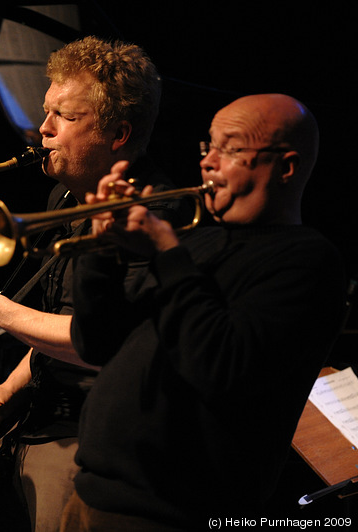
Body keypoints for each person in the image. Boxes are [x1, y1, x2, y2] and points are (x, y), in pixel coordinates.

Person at [63, 94, 346, 530]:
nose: (208, 163)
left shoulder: (308, 262)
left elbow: (221, 366)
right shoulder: (198, 244)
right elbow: (97, 343)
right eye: (207, 147)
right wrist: (103, 250)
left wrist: (166, 253)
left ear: (286, 167)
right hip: (91, 496)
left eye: (230, 149)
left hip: (173, 515)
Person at [0, 36, 180, 531]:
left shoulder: (154, 218)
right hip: (34, 425)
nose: (41, 129)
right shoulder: (62, 198)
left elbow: (100, 343)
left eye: (63, 117)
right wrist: (6, 392)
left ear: (118, 133)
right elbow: (59, 318)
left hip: (88, 444)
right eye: (46, 112)